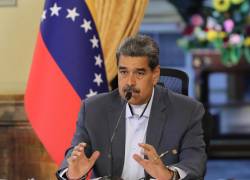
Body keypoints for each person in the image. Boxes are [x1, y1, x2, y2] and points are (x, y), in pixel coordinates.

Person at [56, 35, 207, 180]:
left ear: (155, 75)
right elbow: (75, 155)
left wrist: (169, 175)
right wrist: (72, 174)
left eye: (139, 73)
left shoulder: (187, 111)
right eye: (123, 72)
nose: (130, 82)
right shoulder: (93, 109)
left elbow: (195, 164)